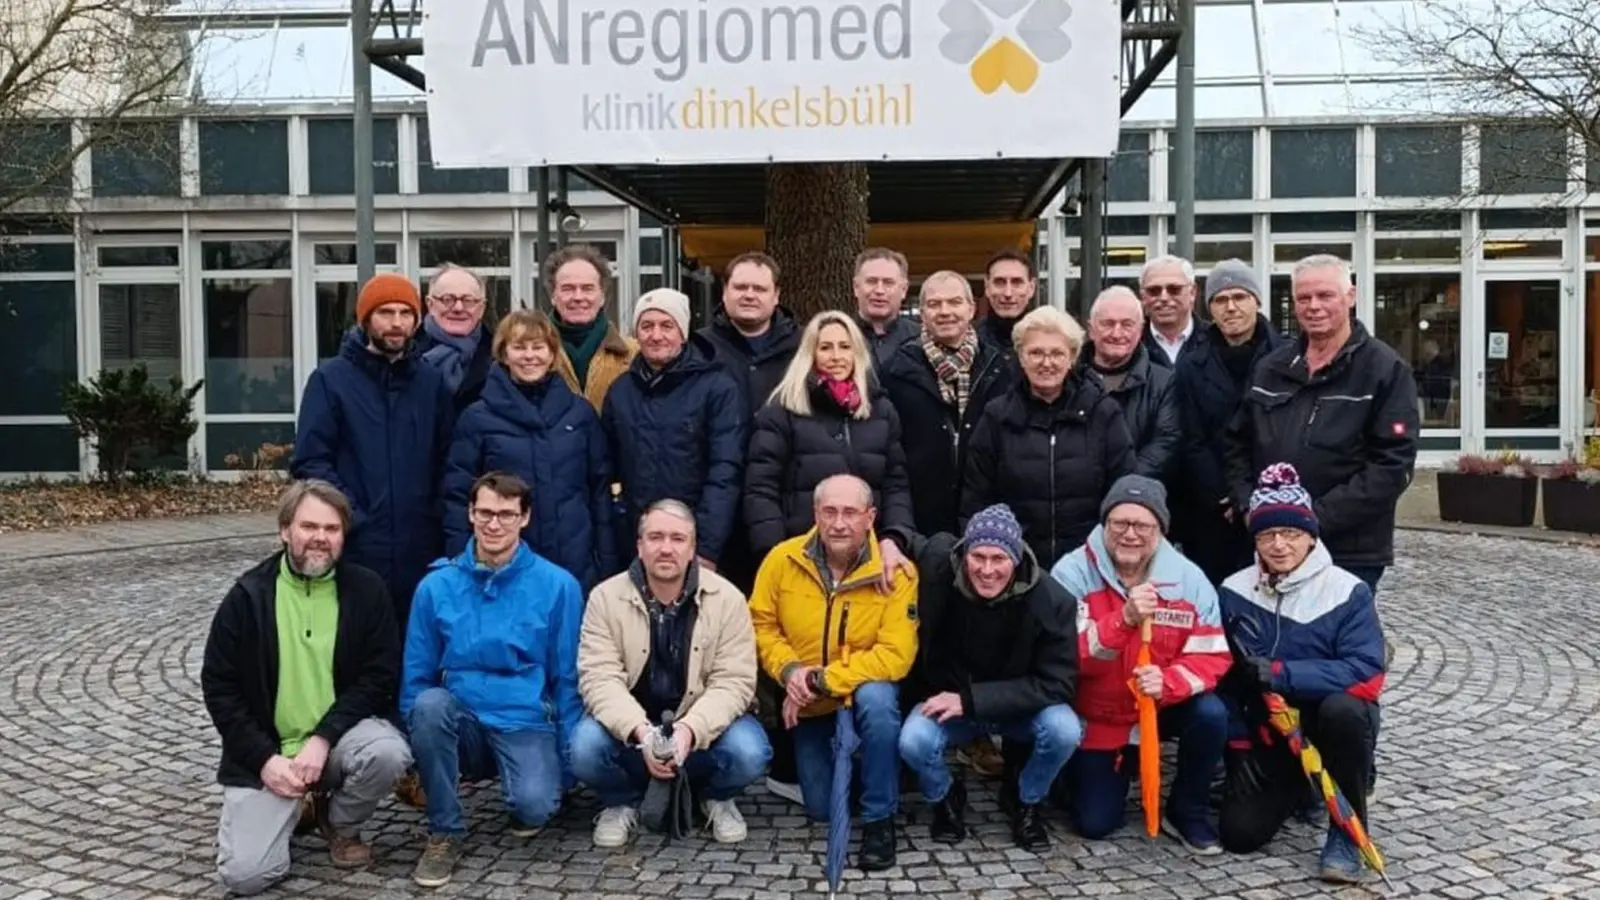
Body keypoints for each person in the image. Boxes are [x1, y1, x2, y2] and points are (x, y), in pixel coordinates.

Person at [201, 481, 410, 896]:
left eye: (332, 529)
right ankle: (292, 808)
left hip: (334, 745)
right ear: (284, 530)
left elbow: (379, 676)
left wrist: (322, 738)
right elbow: (220, 687)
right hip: (271, 754)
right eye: (309, 525)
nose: (320, 538)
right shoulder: (248, 597)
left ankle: (338, 821)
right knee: (245, 877)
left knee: (388, 752)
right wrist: (263, 759)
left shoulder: (366, 590)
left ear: (343, 536)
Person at [743, 310, 917, 801]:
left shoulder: (879, 409)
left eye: (844, 346)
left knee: (876, 671)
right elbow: (760, 487)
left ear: (857, 353)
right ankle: (808, 755)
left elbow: (898, 482)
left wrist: (895, 537)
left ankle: (883, 774)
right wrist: (779, 554)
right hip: (805, 559)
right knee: (821, 802)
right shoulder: (784, 409)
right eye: (825, 347)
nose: (835, 356)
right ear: (810, 353)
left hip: (866, 557)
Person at [401, 472, 584, 889]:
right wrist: (421, 745)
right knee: (429, 705)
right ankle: (445, 830)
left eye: (506, 514)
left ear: (525, 518)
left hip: (524, 718)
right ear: (470, 513)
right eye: (485, 512)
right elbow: (416, 675)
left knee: (535, 807)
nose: (494, 523)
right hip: (459, 716)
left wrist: (567, 762)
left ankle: (528, 788)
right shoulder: (435, 587)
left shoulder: (559, 586)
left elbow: (566, 678)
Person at [1216, 463, 1385, 884]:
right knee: (1240, 834)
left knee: (1344, 710)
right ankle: (1301, 788)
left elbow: (1366, 672)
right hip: (1272, 731)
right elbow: (1219, 672)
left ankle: (1347, 830)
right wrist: (1238, 740)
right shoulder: (1233, 590)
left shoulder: (1347, 591)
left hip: (1330, 725)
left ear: (1311, 536)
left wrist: (1281, 673)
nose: (1279, 545)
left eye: (1290, 534)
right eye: (1267, 535)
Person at [569, 500, 770, 848]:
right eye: (655, 537)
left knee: (751, 751)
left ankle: (714, 797)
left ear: (692, 549)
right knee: (583, 748)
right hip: (631, 731)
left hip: (701, 725)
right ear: (639, 545)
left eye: (678, 539)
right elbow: (599, 678)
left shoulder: (728, 599)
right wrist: (642, 733)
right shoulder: (604, 597)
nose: (666, 548)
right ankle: (622, 800)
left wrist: (690, 731)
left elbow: (734, 682)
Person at [1049, 475, 1231, 853]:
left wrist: (1169, 682)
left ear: (1160, 530)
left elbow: (1212, 653)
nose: (1130, 534)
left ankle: (1186, 811)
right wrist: (1123, 621)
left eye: (1142, 525)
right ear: (1104, 525)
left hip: (1160, 707)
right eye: (1120, 523)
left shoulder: (1188, 579)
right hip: (1099, 714)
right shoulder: (1071, 573)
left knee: (1211, 714)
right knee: (1094, 823)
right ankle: (1094, 770)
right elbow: (1064, 658)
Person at [748, 474, 918, 872]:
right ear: (815, 514)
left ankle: (880, 817)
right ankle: (880, 769)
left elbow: (896, 655)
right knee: (822, 808)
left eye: (850, 513)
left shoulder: (897, 573)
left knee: (878, 699)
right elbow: (760, 624)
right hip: (810, 704)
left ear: (871, 517)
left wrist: (821, 679)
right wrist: (789, 670)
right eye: (829, 512)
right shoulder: (782, 560)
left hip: (858, 692)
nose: (839, 523)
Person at [1224, 254, 1420, 594]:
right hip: (1271, 541)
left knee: (1336, 642)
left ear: (1350, 296)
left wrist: (1310, 518)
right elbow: (1237, 444)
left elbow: (1391, 466)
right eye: (1303, 298)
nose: (1313, 306)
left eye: (1325, 295)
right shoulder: (1272, 367)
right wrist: (1249, 506)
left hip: (1349, 548)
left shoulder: (1385, 370)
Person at [899, 504, 1080, 851]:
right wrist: (893, 544)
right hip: (951, 703)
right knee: (913, 740)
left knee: (1065, 729)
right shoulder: (938, 571)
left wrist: (970, 699)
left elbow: (1058, 683)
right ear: (963, 554)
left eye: (998, 559)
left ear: (1016, 557)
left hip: (1017, 708)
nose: (986, 570)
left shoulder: (1053, 600)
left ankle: (1027, 799)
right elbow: (909, 538)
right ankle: (946, 796)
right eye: (978, 557)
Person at [290, 272, 455, 628]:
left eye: (405, 313)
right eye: (385, 313)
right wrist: (353, 518)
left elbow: (448, 460)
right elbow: (312, 461)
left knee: (415, 655)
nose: (396, 323)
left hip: (420, 550)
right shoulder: (331, 380)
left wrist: (435, 519)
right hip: (356, 548)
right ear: (365, 319)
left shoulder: (431, 383)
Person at [442, 310, 617, 589]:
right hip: (503, 566)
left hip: (575, 564)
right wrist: (462, 561)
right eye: (519, 347)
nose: (529, 356)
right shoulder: (477, 418)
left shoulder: (580, 414)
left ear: (552, 354)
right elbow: (458, 494)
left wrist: (607, 564)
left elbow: (599, 493)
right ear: (503, 353)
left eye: (538, 347)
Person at [962, 305, 1134, 567]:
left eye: (1056, 353)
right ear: (1020, 357)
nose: (1046, 362)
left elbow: (1122, 490)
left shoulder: (1103, 413)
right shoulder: (996, 416)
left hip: (1090, 563)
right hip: (1016, 564)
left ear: (1072, 357)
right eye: (1036, 353)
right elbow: (976, 498)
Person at [603, 288, 746, 571]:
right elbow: (608, 470)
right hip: (637, 543)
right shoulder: (620, 392)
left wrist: (706, 546)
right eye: (647, 326)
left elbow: (725, 471)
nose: (656, 335)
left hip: (694, 543)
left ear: (682, 332)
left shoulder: (717, 387)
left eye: (666, 325)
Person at [882, 270, 1016, 538]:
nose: (945, 311)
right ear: (921, 312)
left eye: (954, 302)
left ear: (971, 308)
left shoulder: (1001, 370)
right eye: (934, 304)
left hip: (988, 521)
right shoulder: (895, 372)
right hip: (920, 522)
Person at [1174, 260, 1284, 584]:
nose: (1231, 307)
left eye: (1240, 297)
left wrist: (1257, 494)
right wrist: (1225, 495)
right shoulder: (1192, 363)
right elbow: (1190, 436)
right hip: (1214, 508)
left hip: (1272, 495)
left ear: (1257, 301)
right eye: (1221, 300)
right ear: (1209, 308)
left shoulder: (1286, 356)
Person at [1078, 286, 1180, 482]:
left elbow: (1166, 442)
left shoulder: (1164, 382)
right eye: (1108, 324)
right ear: (1091, 330)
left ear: (1140, 330)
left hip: (1136, 496)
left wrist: (1124, 483)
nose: (1117, 334)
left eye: (1127, 324)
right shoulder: (1069, 378)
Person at [545, 244, 638, 410]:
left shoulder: (634, 355)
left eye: (588, 288)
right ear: (553, 295)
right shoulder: (528, 354)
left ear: (602, 296)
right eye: (568, 289)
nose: (578, 297)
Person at [413, 263, 495, 416]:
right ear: (430, 304)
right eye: (447, 299)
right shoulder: (403, 356)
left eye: (468, 300)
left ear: (482, 308)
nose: (458, 308)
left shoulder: (502, 360)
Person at [852, 247, 919, 369]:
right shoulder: (838, 338)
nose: (879, 290)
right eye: (871, 281)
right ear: (856, 287)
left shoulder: (921, 340)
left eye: (888, 283)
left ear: (904, 290)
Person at [1139, 255, 1202, 368]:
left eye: (1174, 289)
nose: (1164, 298)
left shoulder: (1217, 342)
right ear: (1143, 297)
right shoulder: (1130, 345)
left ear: (1192, 293)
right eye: (1154, 291)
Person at [976, 249, 1037, 355]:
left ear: (1031, 288)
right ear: (987, 287)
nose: (1008, 293)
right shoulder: (968, 341)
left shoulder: (1054, 340)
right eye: (999, 282)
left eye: (1017, 282)